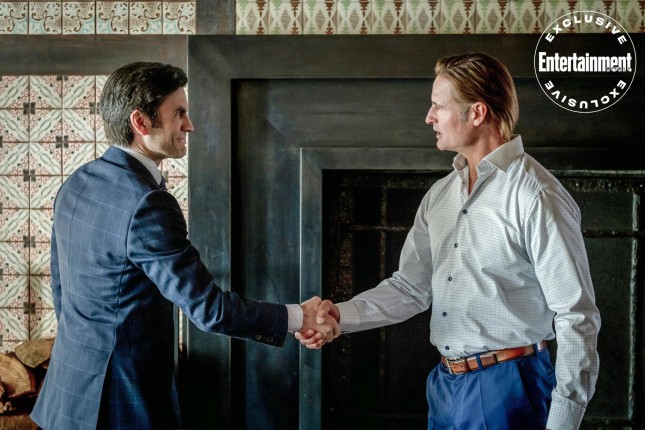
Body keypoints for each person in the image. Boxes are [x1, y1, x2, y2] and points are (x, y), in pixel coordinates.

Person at [297, 53, 600, 430]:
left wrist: (563, 422)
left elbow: (576, 314)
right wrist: (339, 316)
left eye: (438, 106)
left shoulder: (536, 196)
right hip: (444, 385)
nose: (429, 117)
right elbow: (410, 288)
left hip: (510, 387)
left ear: (477, 113)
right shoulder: (440, 196)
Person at [30, 61, 339, 430]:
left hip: (67, 394)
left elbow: (62, 290)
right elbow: (209, 309)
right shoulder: (147, 203)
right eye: (178, 113)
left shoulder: (77, 182)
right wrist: (297, 317)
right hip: (123, 404)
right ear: (141, 122)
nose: (189, 125)